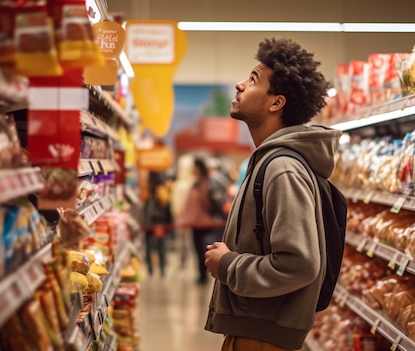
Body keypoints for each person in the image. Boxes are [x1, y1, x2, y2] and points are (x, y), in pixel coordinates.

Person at [203, 37, 342, 351]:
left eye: (253, 79)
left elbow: (300, 264)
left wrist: (228, 266)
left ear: (276, 103)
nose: (239, 85)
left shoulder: (282, 168)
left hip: (262, 337)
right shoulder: (271, 161)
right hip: (259, 331)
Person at [178, 156, 226, 285]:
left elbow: (213, 202)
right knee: (197, 249)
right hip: (195, 223)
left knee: (204, 250)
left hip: (206, 223)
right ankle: (201, 274)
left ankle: (203, 275)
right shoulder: (196, 183)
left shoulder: (207, 183)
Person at [142, 171, 173, 277]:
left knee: (151, 246)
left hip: (152, 222)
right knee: (160, 246)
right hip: (159, 222)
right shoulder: (162, 190)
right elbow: (167, 207)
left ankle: (152, 269)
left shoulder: (152, 191)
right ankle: (161, 269)